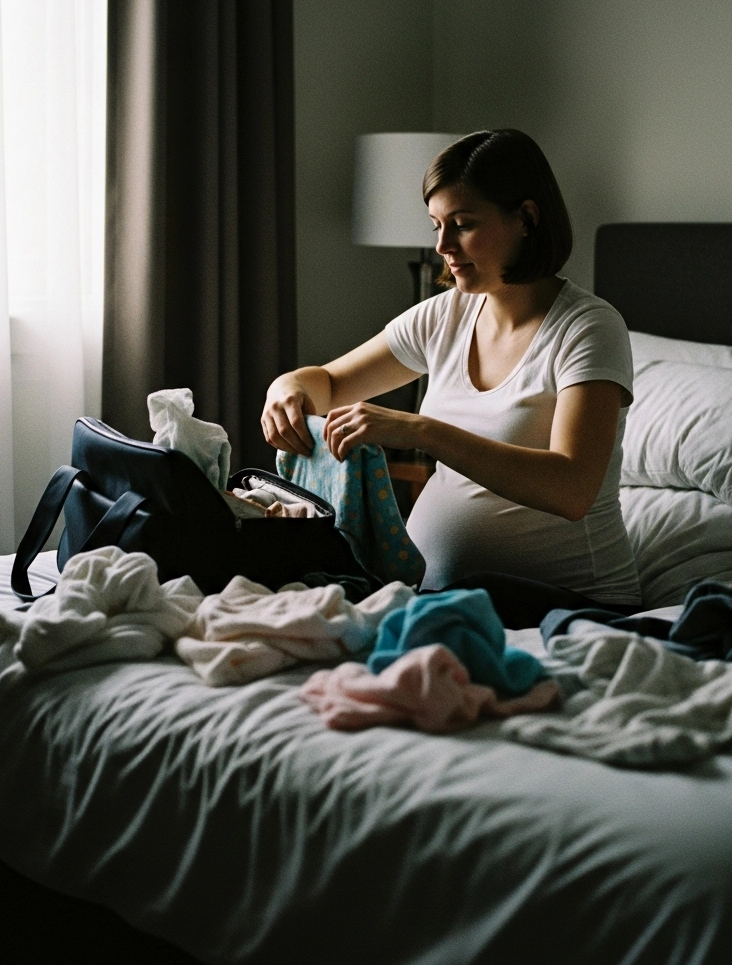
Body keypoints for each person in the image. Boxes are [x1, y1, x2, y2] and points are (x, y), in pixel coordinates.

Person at [262, 129, 640, 627]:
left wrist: (418, 430)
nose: (442, 245)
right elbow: (327, 383)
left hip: (575, 606)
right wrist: (286, 388)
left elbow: (571, 489)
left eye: (462, 225)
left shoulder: (588, 327)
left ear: (526, 218)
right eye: (436, 225)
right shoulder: (444, 316)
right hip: (443, 596)